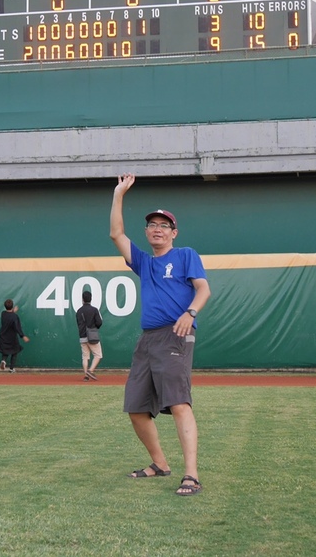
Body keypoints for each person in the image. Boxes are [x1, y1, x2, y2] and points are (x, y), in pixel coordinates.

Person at [110, 173, 211, 497]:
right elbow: (116, 233)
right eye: (152, 224)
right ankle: (159, 464)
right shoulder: (143, 262)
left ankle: (191, 475)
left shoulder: (185, 255)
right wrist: (118, 194)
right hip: (148, 339)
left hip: (175, 335)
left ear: (173, 232)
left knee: (179, 403)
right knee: (136, 409)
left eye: (164, 225)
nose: (157, 229)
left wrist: (190, 312)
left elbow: (203, 289)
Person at [76, 290, 103, 381]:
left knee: (85, 357)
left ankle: (86, 376)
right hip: (92, 336)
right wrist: (94, 327)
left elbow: (78, 323)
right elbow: (99, 322)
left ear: (82, 299)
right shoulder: (94, 310)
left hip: (82, 336)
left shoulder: (79, 311)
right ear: (91, 299)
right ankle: (90, 371)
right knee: (98, 355)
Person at [0, 299, 29, 372]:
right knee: (15, 351)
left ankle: (3, 361)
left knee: (5, 351)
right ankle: (12, 368)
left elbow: (8, 315)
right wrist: (23, 336)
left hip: (3, 336)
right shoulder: (15, 317)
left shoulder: (3, 314)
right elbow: (17, 327)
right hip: (12, 338)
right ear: (12, 306)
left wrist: (13, 311)